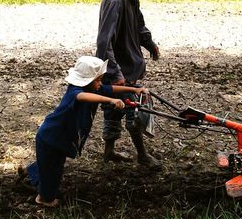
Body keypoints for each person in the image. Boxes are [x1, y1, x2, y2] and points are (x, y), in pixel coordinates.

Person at [19, 56, 149, 207]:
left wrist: (135, 89)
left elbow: (111, 88)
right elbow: (82, 97)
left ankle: (29, 172)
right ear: (86, 80)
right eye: (98, 80)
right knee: (53, 173)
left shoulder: (93, 87)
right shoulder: (75, 92)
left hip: (61, 138)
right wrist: (110, 101)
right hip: (50, 138)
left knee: (52, 164)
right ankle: (44, 199)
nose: (100, 84)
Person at [95, 0, 167, 170]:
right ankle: (142, 156)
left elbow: (138, 22)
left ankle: (109, 151)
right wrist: (116, 75)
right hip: (120, 68)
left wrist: (149, 42)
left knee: (114, 108)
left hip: (127, 65)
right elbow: (104, 42)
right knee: (134, 110)